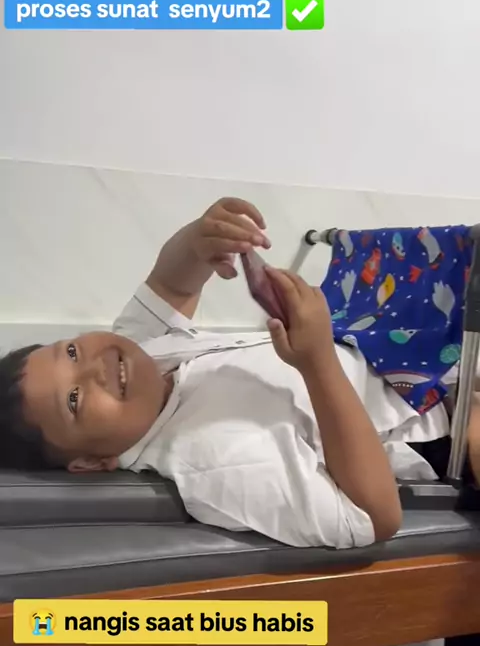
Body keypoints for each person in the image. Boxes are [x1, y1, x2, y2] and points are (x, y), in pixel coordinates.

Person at [0, 196, 479, 550]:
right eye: (74, 400)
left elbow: (170, 282)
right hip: (438, 432)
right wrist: (318, 362)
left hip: (413, 364)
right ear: (91, 462)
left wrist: (199, 240)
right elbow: (372, 518)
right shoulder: (216, 467)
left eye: (70, 352)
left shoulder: (146, 353)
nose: (94, 369)